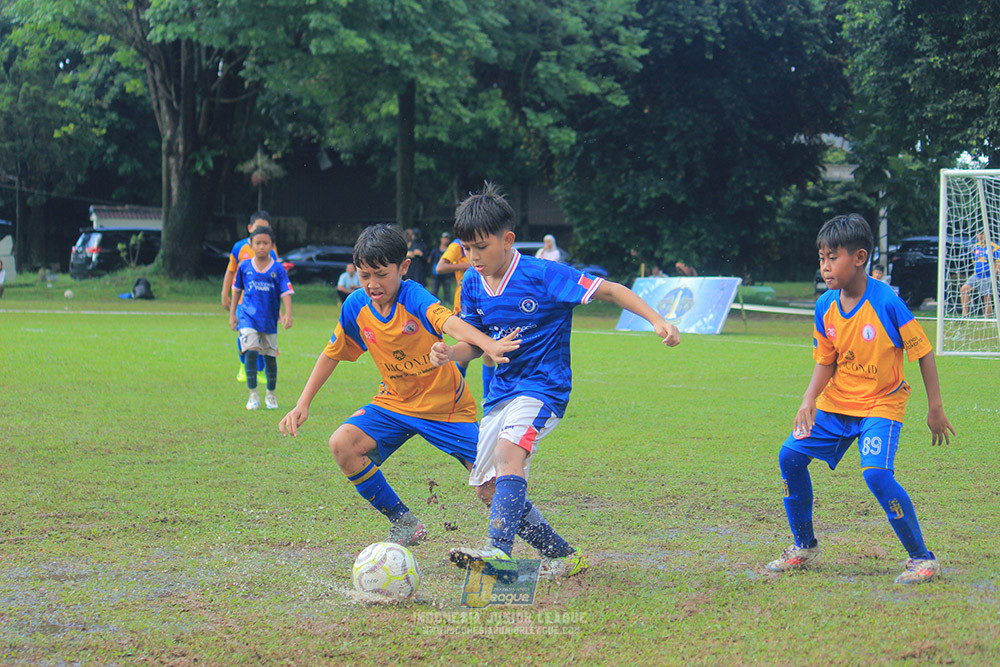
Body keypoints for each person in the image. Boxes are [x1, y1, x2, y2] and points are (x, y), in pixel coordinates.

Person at [432, 182, 681, 577]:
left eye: (481, 247)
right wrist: (448, 353)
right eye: (467, 248)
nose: (473, 257)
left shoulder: (544, 274)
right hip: (499, 395)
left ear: (507, 239)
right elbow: (477, 345)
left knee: (510, 452)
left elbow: (611, 290)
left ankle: (499, 553)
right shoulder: (473, 284)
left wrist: (657, 320)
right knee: (487, 489)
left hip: (542, 388)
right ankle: (564, 557)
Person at [278, 224, 520, 547]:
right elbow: (332, 353)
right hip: (394, 403)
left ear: (403, 267)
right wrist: (302, 403)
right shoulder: (356, 306)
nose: (372, 285)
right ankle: (403, 521)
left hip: (445, 407)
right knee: (342, 444)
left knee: (490, 486)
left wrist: (487, 344)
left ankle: (549, 548)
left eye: (380, 274)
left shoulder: (414, 295)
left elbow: (449, 322)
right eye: (364, 276)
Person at [765, 213, 955, 585]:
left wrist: (935, 407)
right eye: (821, 257)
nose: (825, 266)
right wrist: (808, 399)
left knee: (877, 474)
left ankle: (922, 558)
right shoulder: (826, 306)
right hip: (836, 405)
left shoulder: (886, 302)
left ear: (860, 257)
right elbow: (826, 360)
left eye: (832, 257)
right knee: (789, 456)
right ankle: (804, 546)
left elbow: (923, 351)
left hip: (881, 404)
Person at [229, 227, 293, 410]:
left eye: (265, 243)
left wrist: (288, 313)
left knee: (270, 357)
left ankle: (271, 395)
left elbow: (286, 292)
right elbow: (237, 291)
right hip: (247, 316)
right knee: (251, 351)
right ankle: (253, 394)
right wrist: (233, 313)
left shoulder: (278, 269)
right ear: (251, 245)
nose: (262, 247)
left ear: (272, 245)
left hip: (269, 319)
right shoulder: (244, 267)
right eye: (258, 243)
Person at [222, 211, 278, 381]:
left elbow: (276, 278)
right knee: (244, 334)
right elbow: (230, 271)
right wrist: (225, 294)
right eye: (258, 228)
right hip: (243, 302)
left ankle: (259, 371)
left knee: (262, 336)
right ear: (249, 228)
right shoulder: (239, 248)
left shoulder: (272, 251)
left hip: (265, 303)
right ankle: (243, 366)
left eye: (265, 228)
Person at [960, 231, 1000, 316]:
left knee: (987, 297)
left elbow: (998, 262)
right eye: (979, 234)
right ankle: (965, 315)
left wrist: (995, 275)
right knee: (964, 289)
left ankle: (987, 317)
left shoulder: (994, 247)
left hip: (988, 276)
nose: (981, 236)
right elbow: (975, 262)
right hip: (977, 275)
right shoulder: (976, 247)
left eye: (982, 234)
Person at [428, 232, 455, 305]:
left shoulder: (450, 251)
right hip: (435, 274)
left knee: (447, 290)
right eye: (444, 238)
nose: (445, 240)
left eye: (447, 238)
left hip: (446, 274)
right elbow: (430, 260)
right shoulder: (435, 250)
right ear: (441, 239)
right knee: (434, 290)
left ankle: (447, 302)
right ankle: (433, 303)